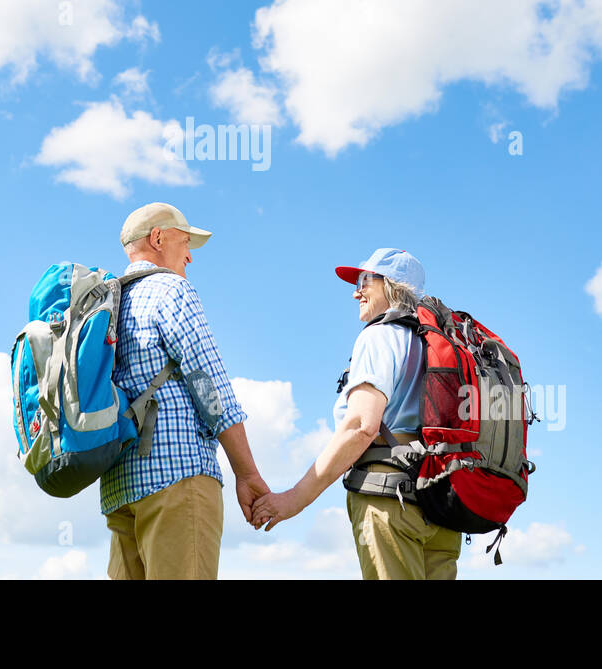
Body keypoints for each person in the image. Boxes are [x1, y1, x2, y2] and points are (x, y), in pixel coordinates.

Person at [251, 248, 462, 580]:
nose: (356, 291)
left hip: (391, 498)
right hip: (442, 505)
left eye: (366, 280)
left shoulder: (380, 336)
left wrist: (296, 498)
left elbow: (361, 426)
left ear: (392, 285)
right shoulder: (441, 346)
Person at [101, 201, 269, 579]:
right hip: (177, 478)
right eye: (184, 242)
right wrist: (247, 473)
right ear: (158, 238)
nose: (190, 257)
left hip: (119, 488)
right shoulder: (171, 289)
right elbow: (208, 385)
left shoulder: (108, 303)